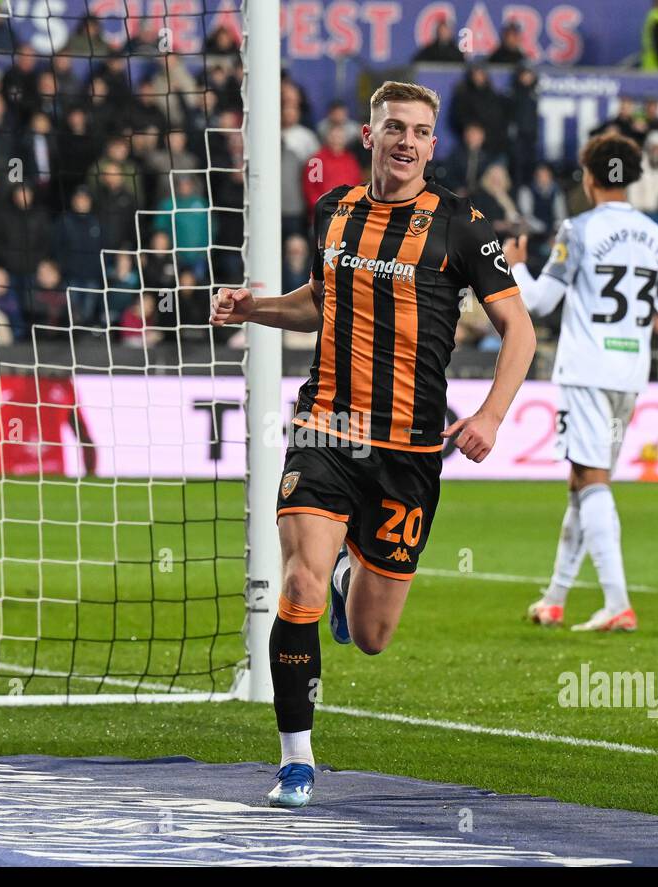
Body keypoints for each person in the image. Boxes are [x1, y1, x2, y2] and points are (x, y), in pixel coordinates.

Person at [210, 82, 536, 808]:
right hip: (328, 427)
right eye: (395, 127)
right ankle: (297, 760)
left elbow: (521, 330)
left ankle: (347, 582)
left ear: (432, 143)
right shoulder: (335, 211)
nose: (407, 141)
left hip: (411, 451)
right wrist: (253, 307)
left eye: (421, 131)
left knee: (374, 634)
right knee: (295, 582)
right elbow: (320, 302)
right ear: (369, 134)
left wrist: (490, 415)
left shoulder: (462, 225)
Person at [505, 132, 658, 632]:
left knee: (592, 481)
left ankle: (617, 602)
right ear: (631, 179)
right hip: (631, 373)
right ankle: (556, 597)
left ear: (589, 179)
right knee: (582, 482)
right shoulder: (656, 235)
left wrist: (517, 267)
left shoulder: (577, 229)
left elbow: (540, 302)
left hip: (587, 370)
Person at [0, 372, 97, 476]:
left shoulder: (61, 382)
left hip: (55, 486)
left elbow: (87, 441)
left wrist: (90, 482)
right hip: (4, 488)